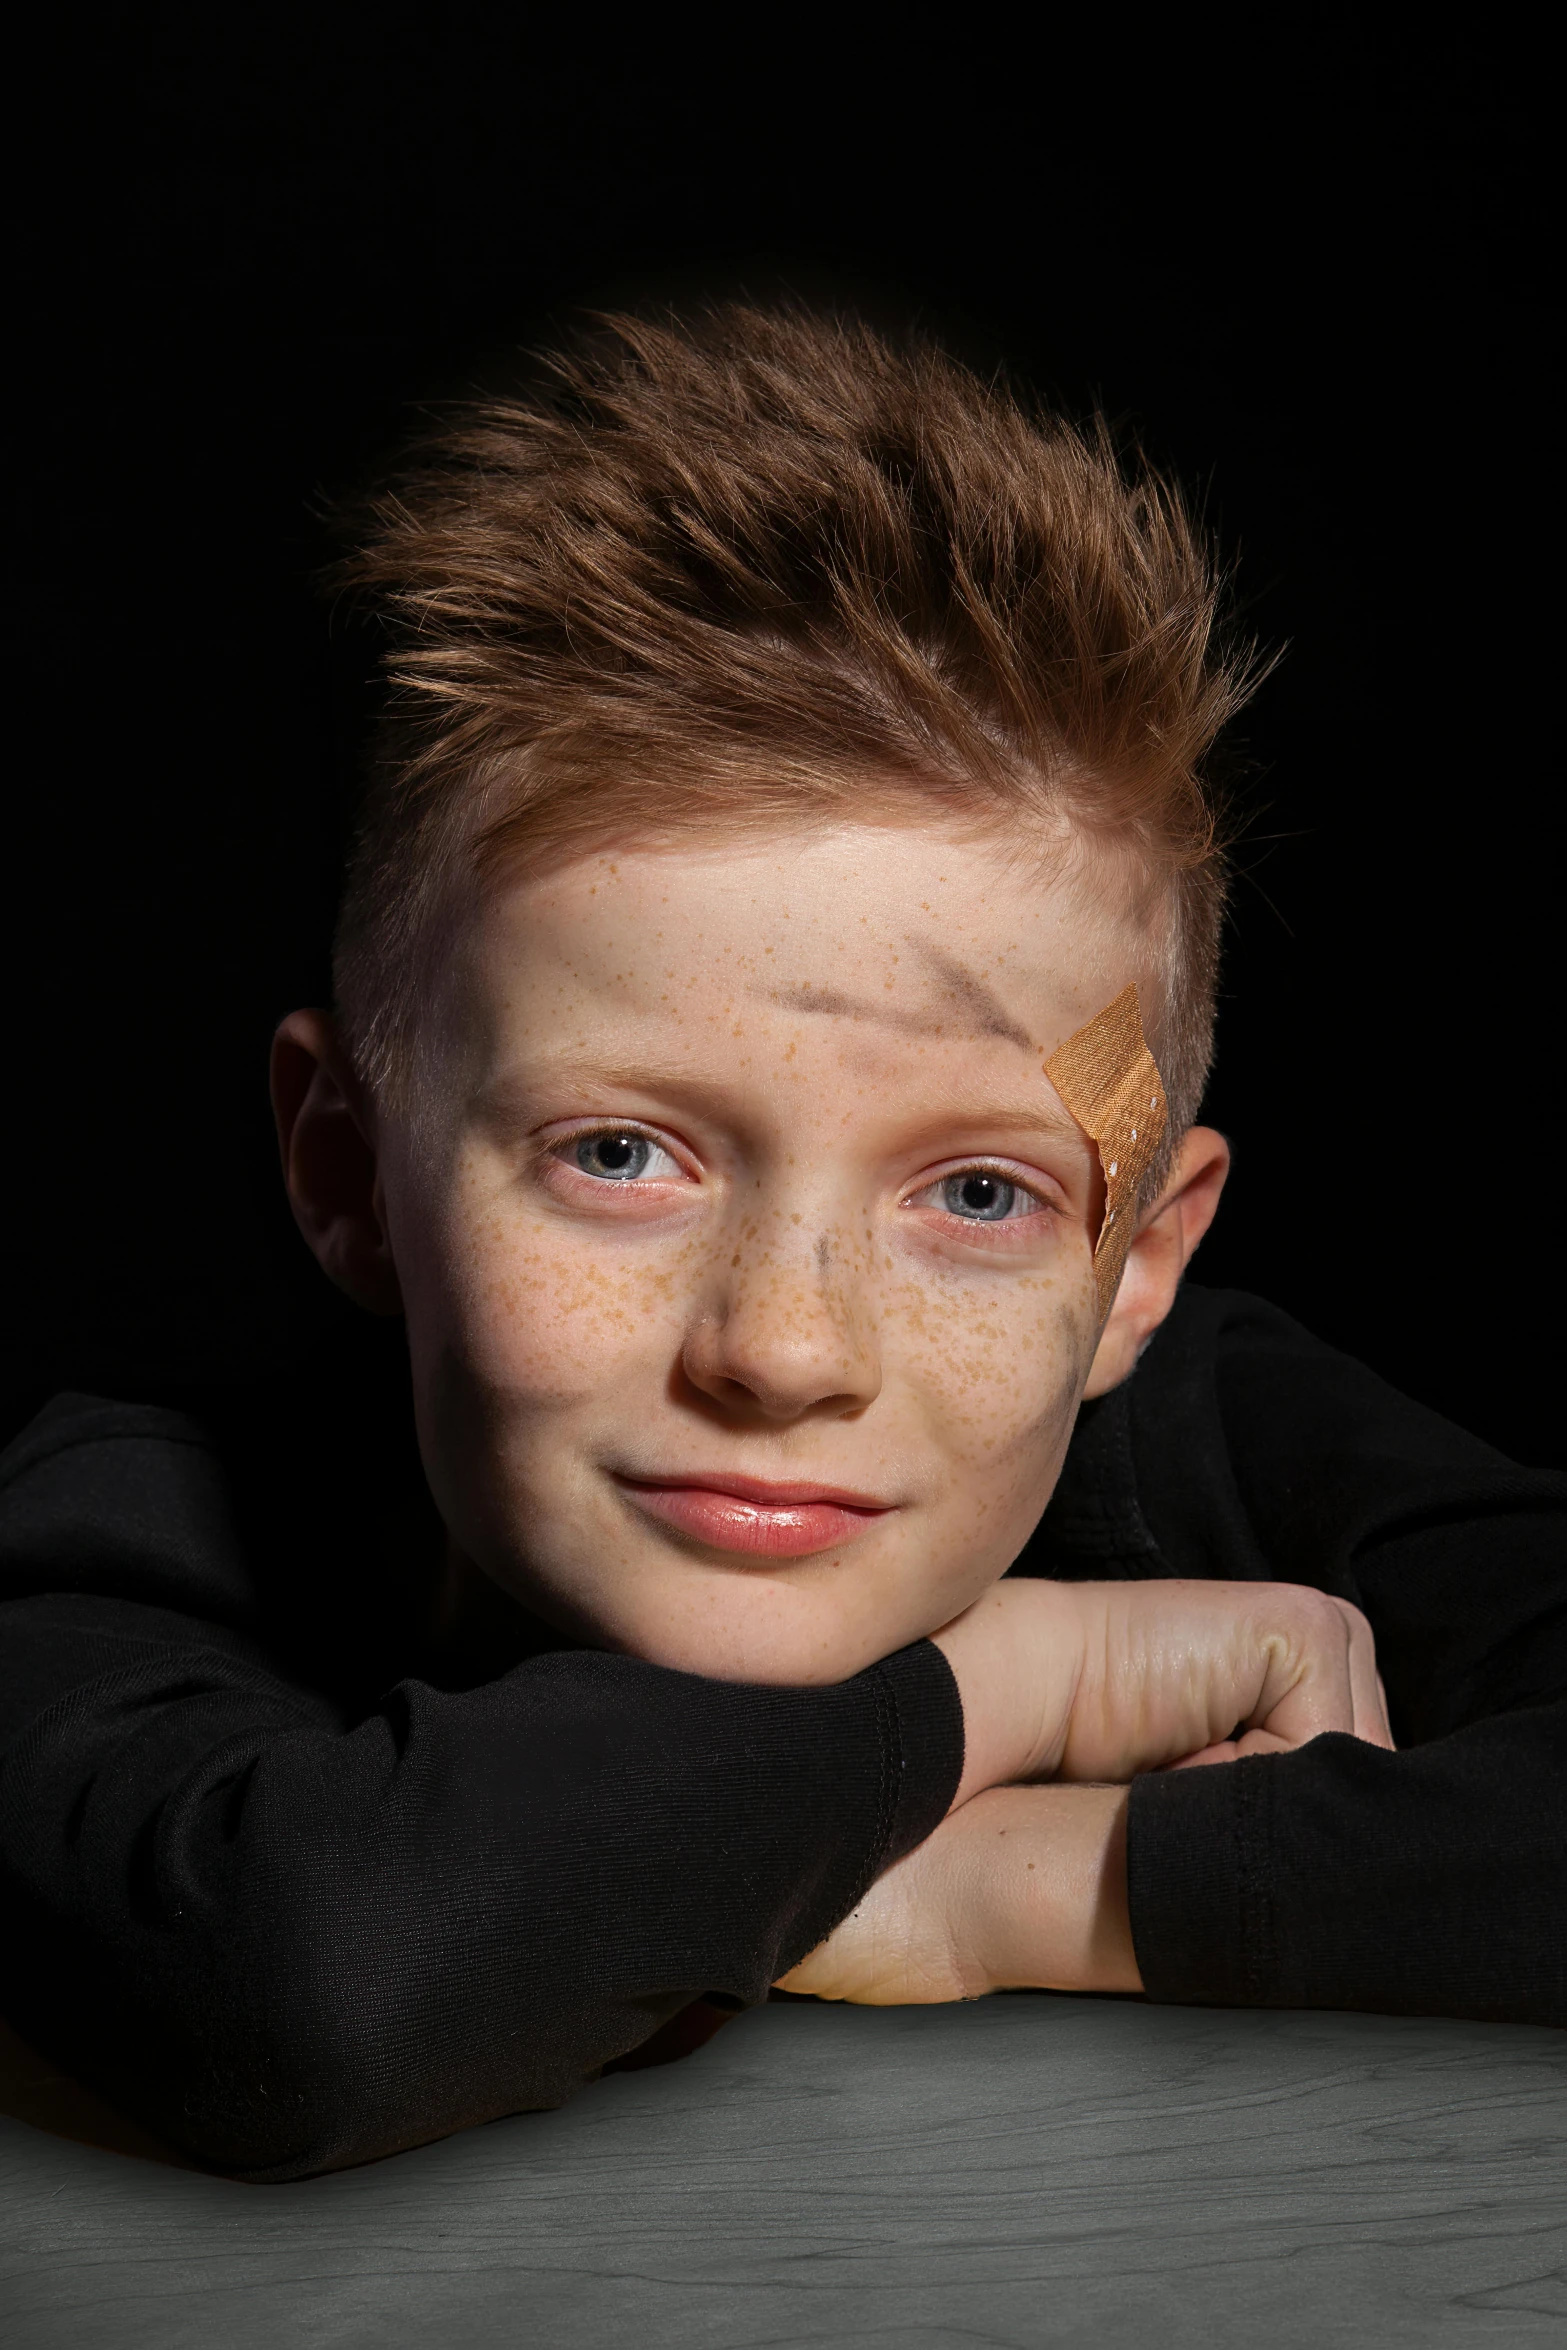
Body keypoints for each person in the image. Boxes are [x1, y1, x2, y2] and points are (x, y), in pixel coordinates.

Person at [1, 311, 1561, 2183]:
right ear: (345, 1170)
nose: (785, 1348)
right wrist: (1010, 1688)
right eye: (621, 1153)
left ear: (1136, 1259)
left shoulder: (1205, 1435)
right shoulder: (135, 1526)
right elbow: (309, 1983)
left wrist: (1028, 1889)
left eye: (977, 1194)